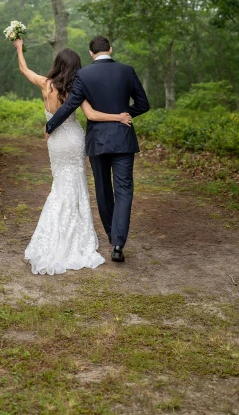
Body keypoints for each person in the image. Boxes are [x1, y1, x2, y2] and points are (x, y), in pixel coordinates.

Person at [13, 38, 132, 275]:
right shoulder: (76, 89)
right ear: (76, 67)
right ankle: (78, 233)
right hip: (74, 139)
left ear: (57, 64)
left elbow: (23, 69)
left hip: (55, 141)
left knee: (59, 185)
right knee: (76, 183)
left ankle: (55, 231)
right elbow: (92, 114)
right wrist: (118, 117)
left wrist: (19, 48)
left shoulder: (45, 84)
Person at [45, 36, 150, 263]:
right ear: (110, 49)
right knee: (124, 190)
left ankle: (112, 237)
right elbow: (144, 104)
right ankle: (119, 243)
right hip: (123, 140)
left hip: (98, 141)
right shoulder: (127, 70)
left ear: (91, 53)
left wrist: (50, 125)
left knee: (103, 190)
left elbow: (71, 104)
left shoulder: (84, 75)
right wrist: (124, 115)